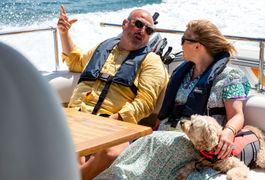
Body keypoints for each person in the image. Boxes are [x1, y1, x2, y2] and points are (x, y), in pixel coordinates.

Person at [96, 19, 251, 179]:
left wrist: (228, 133)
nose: (181, 44)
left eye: (184, 40)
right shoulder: (181, 72)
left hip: (193, 142)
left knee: (142, 155)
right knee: (122, 151)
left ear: (197, 46)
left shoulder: (230, 77)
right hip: (163, 136)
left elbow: (237, 115)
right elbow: (167, 112)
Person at [57, 5, 169, 180]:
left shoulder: (151, 62)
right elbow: (75, 62)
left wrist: (114, 120)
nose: (142, 31)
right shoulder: (103, 47)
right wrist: (64, 33)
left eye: (148, 29)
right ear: (124, 24)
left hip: (111, 123)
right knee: (66, 145)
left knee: (112, 152)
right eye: (138, 24)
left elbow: (146, 103)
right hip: (76, 116)